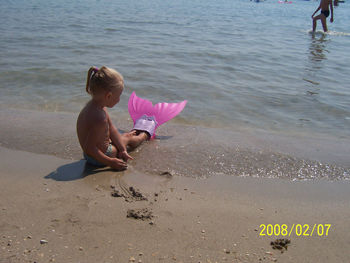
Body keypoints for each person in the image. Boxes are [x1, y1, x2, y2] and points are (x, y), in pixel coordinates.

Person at [77, 66, 148, 170]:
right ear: (109, 96)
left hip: (90, 156)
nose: (119, 100)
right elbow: (89, 148)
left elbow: (111, 128)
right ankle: (145, 135)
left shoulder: (92, 107)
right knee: (127, 138)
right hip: (99, 158)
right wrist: (111, 162)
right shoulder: (99, 118)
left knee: (121, 138)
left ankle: (126, 139)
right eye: (118, 96)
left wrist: (122, 149)